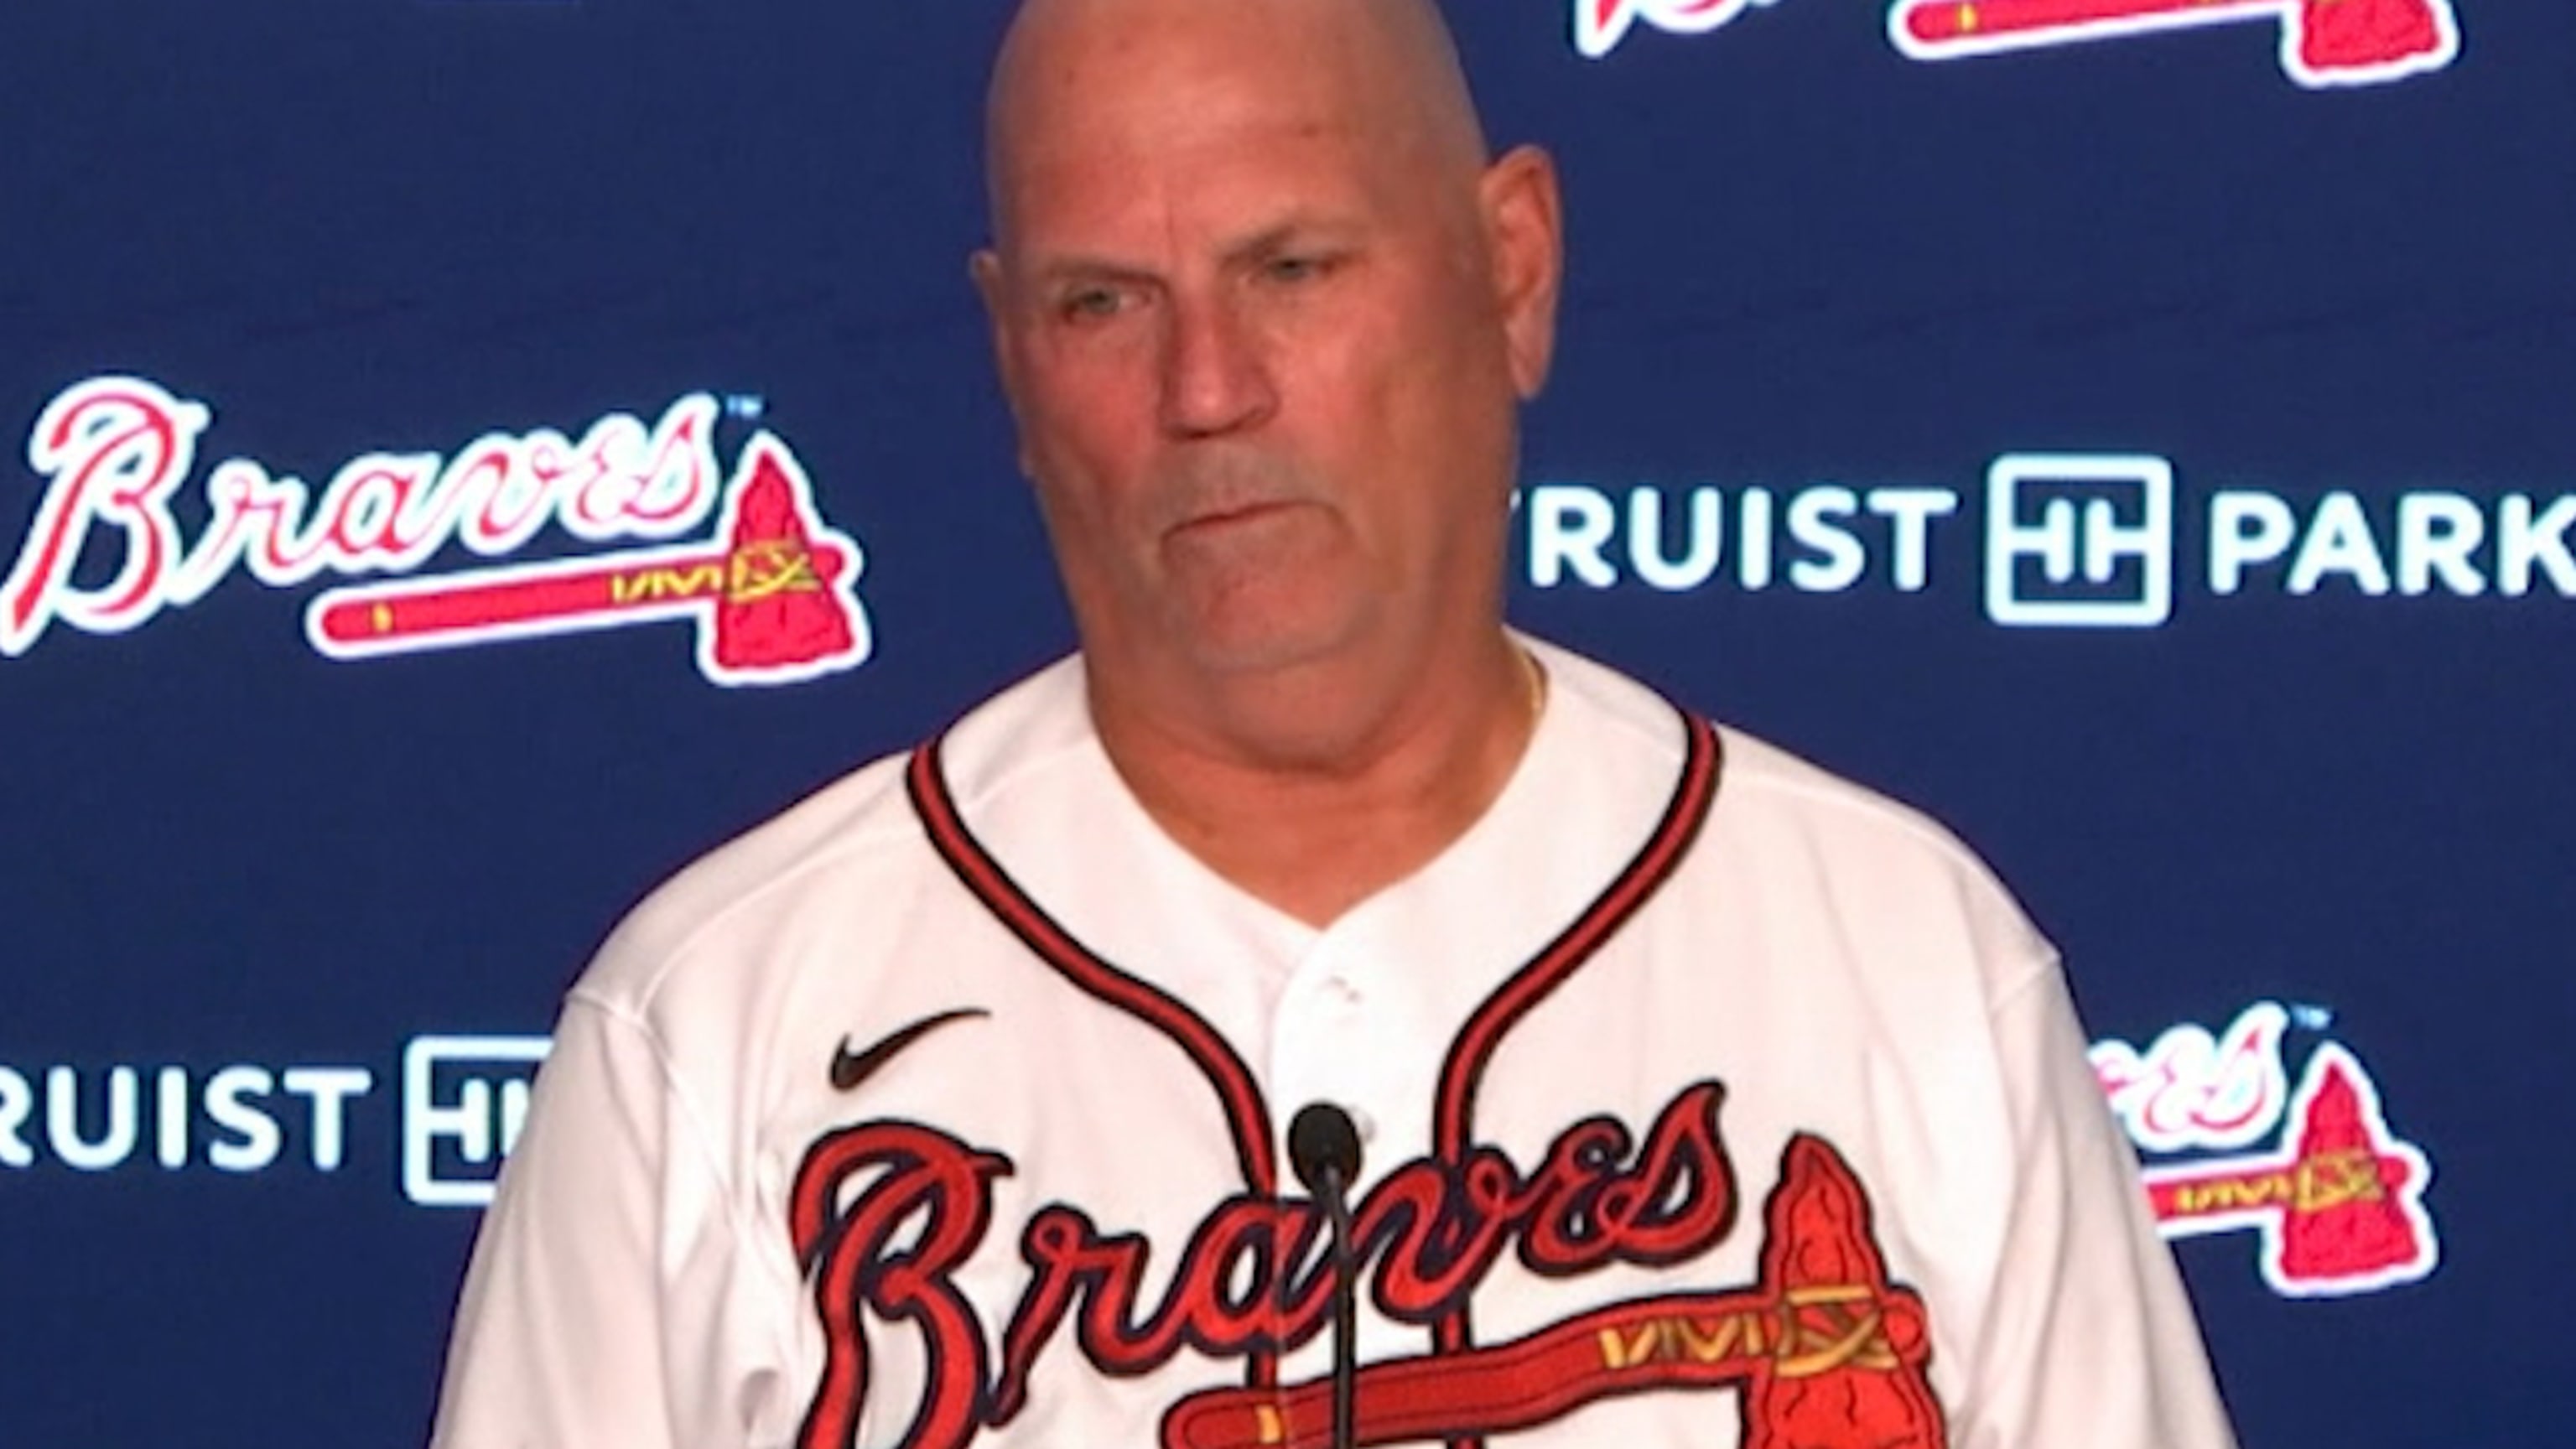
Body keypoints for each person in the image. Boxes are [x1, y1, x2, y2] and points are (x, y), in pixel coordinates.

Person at [428, 0, 2241, 1445]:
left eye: (1293, 270)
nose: (1206, 389)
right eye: (1102, 303)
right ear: (1011, 358)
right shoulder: (722, 1022)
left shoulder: (1898, 958)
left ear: (1510, 269)